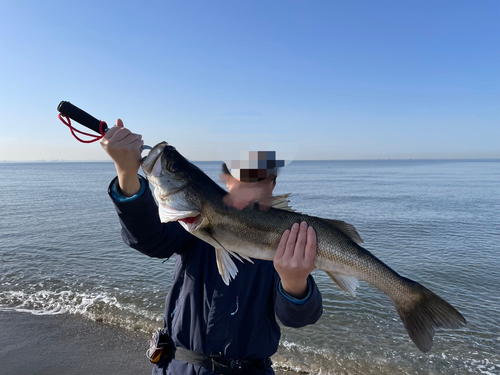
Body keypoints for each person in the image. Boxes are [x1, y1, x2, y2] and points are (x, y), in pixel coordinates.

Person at [101, 119, 323, 375]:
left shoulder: (285, 240)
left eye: (261, 177)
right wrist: (127, 173)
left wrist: (295, 282)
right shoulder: (194, 222)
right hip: (180, 367)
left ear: (272, 185)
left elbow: (299, 317)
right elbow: (151, 238)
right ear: (228, 180)